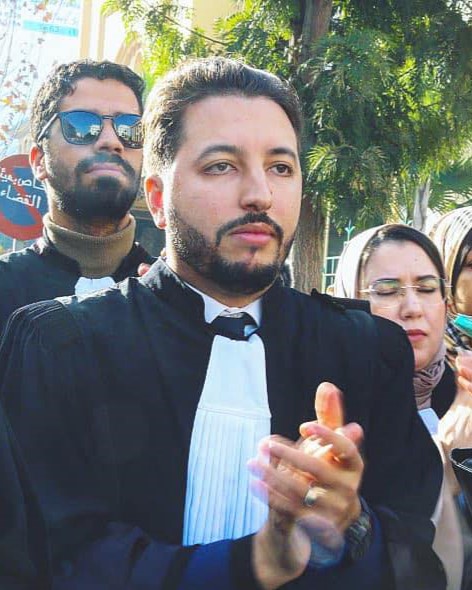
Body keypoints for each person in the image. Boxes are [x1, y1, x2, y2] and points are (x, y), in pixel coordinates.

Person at [0, 58, 445, 589]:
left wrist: (352, 524)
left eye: (281, 167)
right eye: (221, 166)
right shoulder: (60, 346)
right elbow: (54, 558)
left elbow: (417, 558)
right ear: (158, 198)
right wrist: (257, 561)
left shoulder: (366, 352)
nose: (259, 193)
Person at [332, 223, 469, 590]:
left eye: (427, 288)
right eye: (386, 290)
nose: (412, 308)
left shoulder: (460, 392)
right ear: (346, 299)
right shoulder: (330, 411)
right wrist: (445, 465)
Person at [0, 59, 154, 332]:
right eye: (82, 125)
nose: (112, 141)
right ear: (39, 161)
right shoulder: (6, 287)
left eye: (130, 128)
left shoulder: (178, 297)